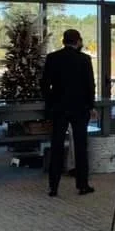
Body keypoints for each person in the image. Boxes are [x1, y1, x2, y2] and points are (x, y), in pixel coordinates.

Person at [40, 28, 96, 197]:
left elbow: (44, 84)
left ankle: (53, 186)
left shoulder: (52, 58)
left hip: (58, 108)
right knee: (80, 146)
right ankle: (82, 184)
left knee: (56, 145)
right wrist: (90, 105)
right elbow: (90, 85)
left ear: (64, 41)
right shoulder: (84, 59)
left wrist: (50, 102)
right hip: (80, 109)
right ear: (78, 41)